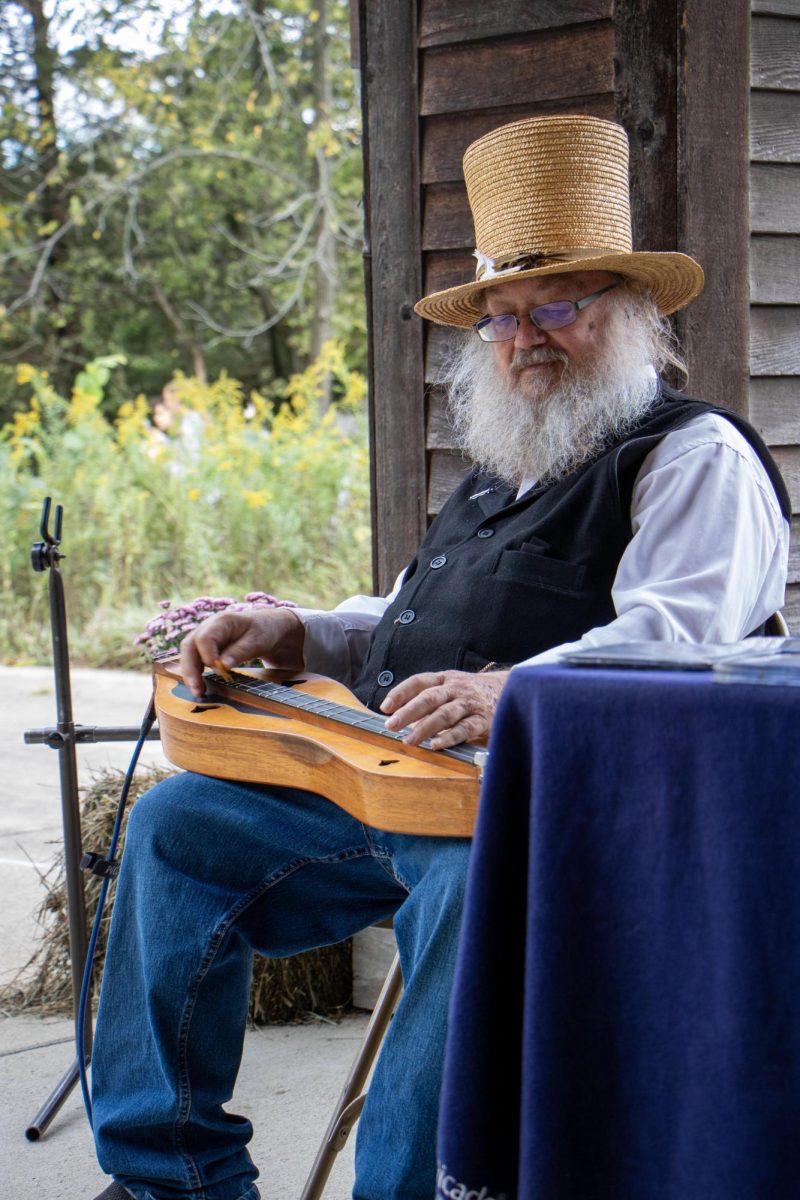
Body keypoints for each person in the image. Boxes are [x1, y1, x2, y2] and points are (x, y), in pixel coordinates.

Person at [90, 115, 790, 1200]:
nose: (526, 336)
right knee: (176, 828)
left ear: (634, 316)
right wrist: (300, 629)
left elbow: (677, 641)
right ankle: (167, 1179)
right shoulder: (504, 469)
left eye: (559, 304)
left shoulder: (691, 458)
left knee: (471, 887)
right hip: (395, 797)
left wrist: (505, 692)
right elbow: (420, 619)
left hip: (551, 824)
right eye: (503, 317)